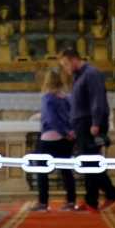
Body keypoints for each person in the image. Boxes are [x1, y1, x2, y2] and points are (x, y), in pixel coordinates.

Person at [59, 48, 115, 211]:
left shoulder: (91, 74)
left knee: (90, 162)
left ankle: (111, 193)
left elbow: (97, 100)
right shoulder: (78, 76)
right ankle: (91, 200)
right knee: (88, 162)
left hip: (90, 123)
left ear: (74, 59)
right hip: (82, 123)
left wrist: (95, 122)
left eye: (66, 64)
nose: (65, 69)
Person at [32, 67, 77, 211]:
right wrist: (69, 132)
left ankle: (43, 203)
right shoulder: (67, 97)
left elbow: (51, 120)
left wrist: (63, 131)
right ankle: (71, 202)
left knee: (42, 171)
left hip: (50, 139)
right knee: (66, 171)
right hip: (66, 140)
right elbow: (72, 116)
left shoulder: (47, 97)